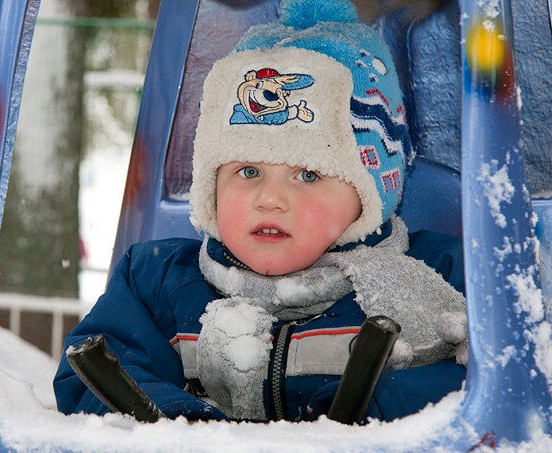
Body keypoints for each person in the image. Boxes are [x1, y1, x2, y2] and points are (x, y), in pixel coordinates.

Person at [54, 0, 468, 422]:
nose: (270, 199)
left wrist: (366, 413)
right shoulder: (156, 284)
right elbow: (90, 379)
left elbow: (494, 380)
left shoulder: (437, 278)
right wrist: (188, 427)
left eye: (308, 175)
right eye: (248, 170)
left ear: (369, 197)